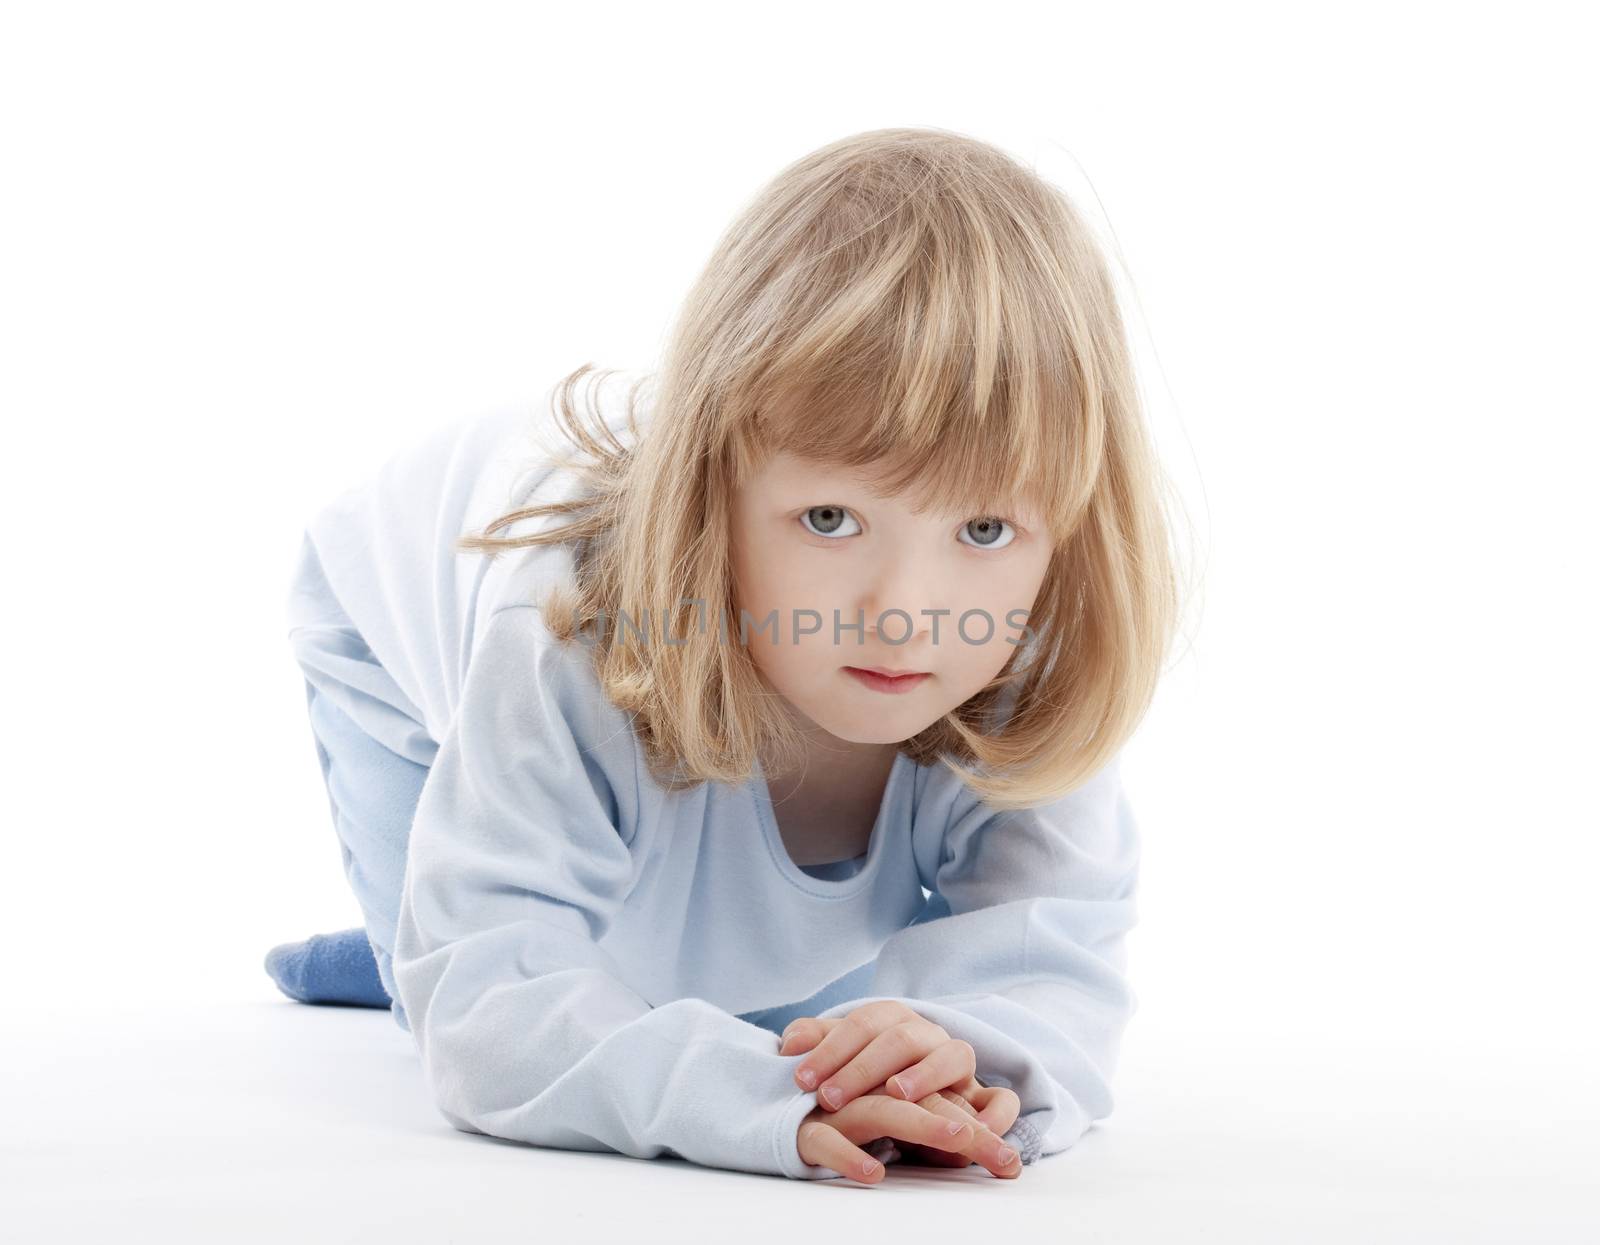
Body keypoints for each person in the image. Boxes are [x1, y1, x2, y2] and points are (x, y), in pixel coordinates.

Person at [263, 125, 1183, 1184]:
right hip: (390, 632)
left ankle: (462, 926)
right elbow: (490, 1012)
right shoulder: (569, 631)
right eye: (830, 518)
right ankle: (393, 951)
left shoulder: (1022, 646)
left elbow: (1051, 957)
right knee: (465, 971)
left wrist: (963, 1054)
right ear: (711, 489)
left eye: (983, 531)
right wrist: (769, 1098)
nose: (905, 620)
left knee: (778, 1012)